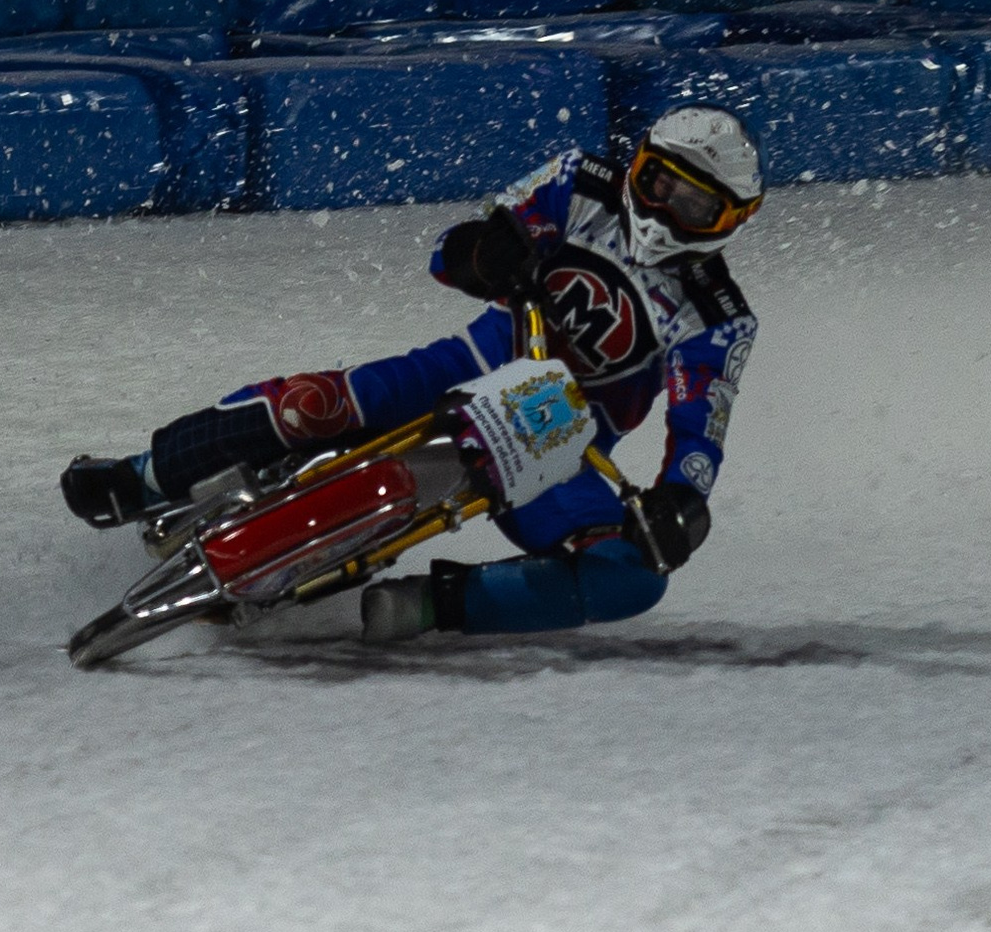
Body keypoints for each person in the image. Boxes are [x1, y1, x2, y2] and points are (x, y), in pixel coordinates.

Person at [60, 105, 764, 643]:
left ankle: (426, 606)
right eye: (660, 182)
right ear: (638, 163)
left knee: (634, 578)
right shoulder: (579, 180)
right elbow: (451, 250)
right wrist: (486, 253)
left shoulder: (718, 317)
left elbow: (700, 429)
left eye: (696, 205)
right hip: (463, 366)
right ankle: (142, 476)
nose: (667, 210)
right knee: (315, 404)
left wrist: (680, 504)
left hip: (557, 447)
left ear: (730, 221)